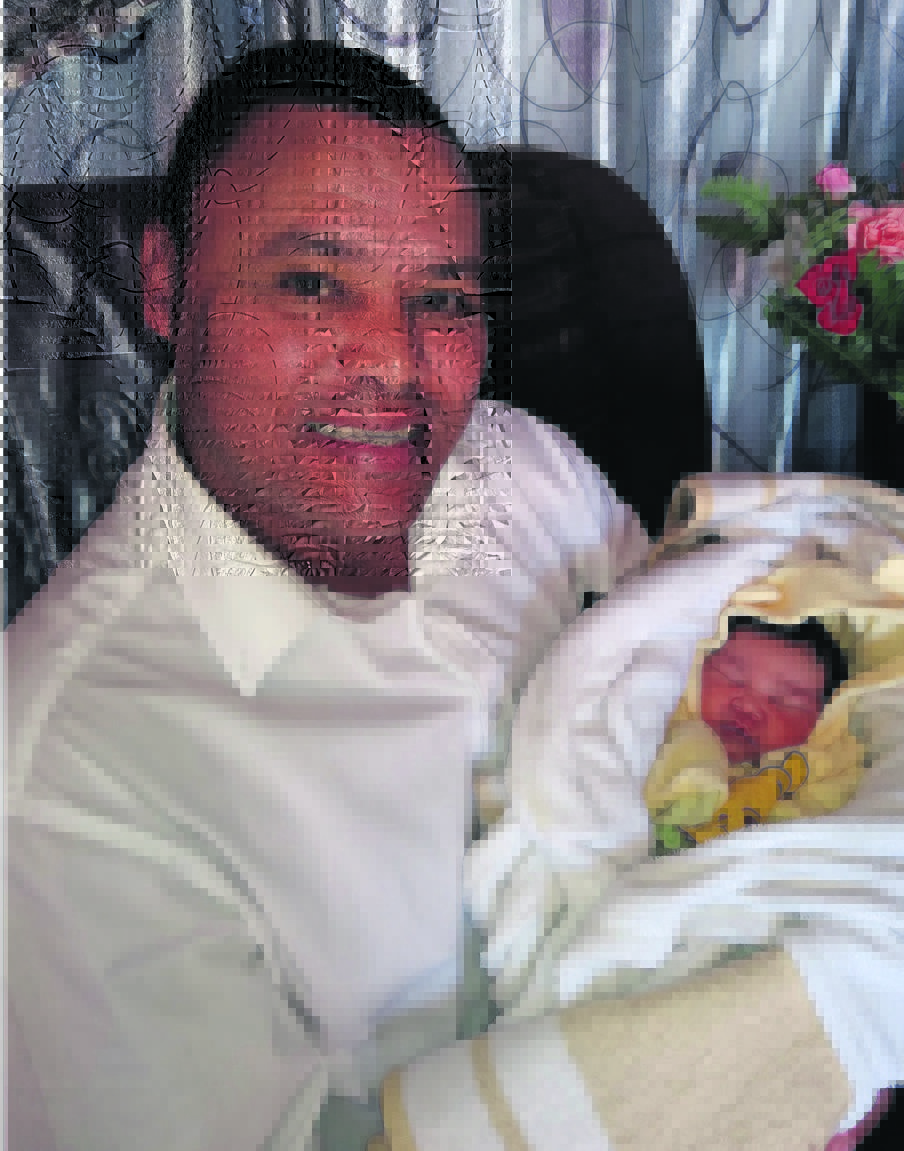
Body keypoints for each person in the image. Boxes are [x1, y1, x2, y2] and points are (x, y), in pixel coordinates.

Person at [4, 41, 651, 1151]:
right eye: (311, 283)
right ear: (165, 287)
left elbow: (706, 697)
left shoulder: (520, 464)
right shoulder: (68, 781)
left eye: (443, 299)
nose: (395, 362)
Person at [645, 615, 854, 850]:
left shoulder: (813, 771)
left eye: (785, 702)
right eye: (731, 677)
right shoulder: (660, 717)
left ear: (822, 723)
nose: (749, 707)